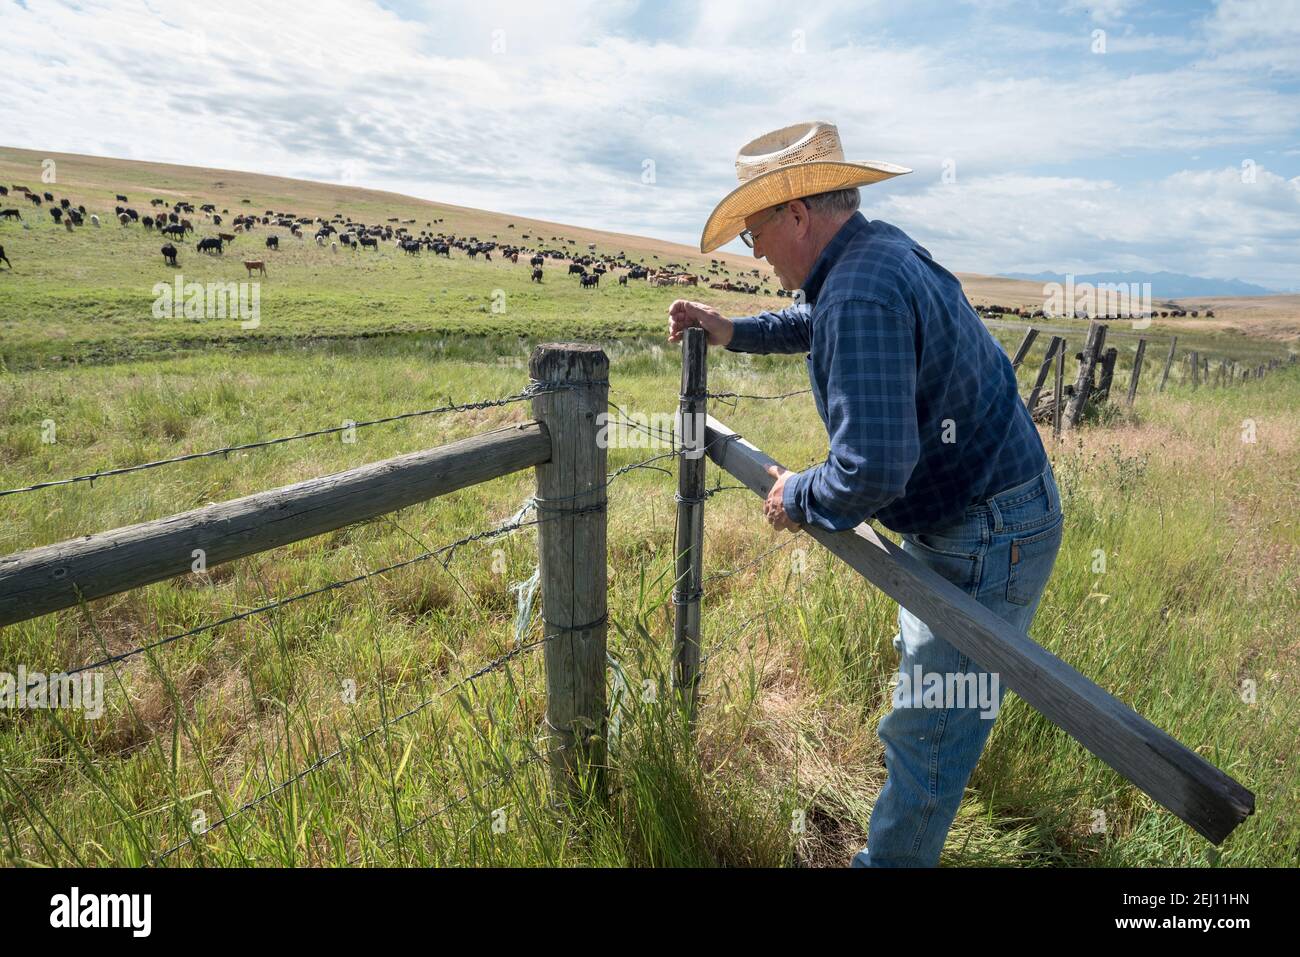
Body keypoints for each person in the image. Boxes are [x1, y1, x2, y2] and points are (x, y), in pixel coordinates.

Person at [667, 120, 1063, 867]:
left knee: (928, 738)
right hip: (987, 508)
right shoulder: (870, 257)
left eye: (755, 234)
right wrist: (732, 331)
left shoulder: (859, 292)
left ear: (796, 214)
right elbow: (815, 319)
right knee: (930, 698)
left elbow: (871, 470)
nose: (755, 254)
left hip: (983, 530)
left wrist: (797, 494)